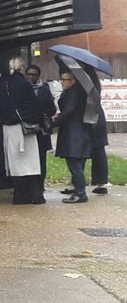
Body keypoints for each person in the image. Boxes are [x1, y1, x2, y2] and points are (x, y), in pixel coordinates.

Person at [0, 57, 45, 205]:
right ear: (22, 68)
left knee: (16, 164)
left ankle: (20, 195)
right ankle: (36, 194)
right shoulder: (25, 85)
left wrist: (2, 118)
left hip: (9, 128)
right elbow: (34, 106)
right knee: (31, 163)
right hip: (27, 127)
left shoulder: (3, 85)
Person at [54, 71, 92, 204]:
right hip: (79, 133)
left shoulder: (74, 94)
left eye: (64, 80)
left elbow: (68, 111)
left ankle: (80, 193)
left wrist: (55, 121)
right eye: (61, 79)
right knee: (78, 165)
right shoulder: (78, 92)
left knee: (75, 165)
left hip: (74, 133)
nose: (62, 82)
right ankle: (78, 190)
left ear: (73, 80)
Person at [25, 63, 57, 196]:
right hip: (27, 129)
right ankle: (29, 184)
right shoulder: (22, 88)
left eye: (34, 74)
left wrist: (43, 114)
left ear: (38, 76)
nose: (31, 77)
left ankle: (40, 183)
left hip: (41, 130)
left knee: (41, 158)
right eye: (29, 74)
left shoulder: (44, 89)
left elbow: (52, 108)